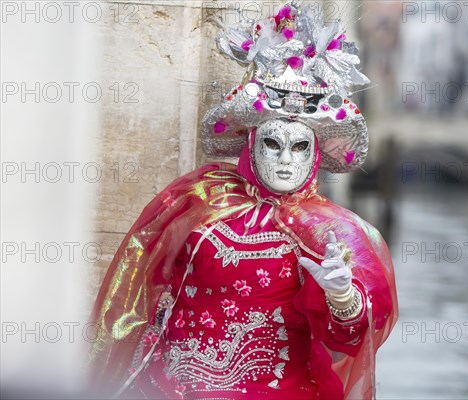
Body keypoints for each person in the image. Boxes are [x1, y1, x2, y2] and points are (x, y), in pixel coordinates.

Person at [88, 2, 397, 399]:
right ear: (251, 144)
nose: (285, 161)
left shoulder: (333, 233)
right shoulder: (200, 196)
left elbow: (354, 336)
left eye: (299, 147)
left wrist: (342, 296)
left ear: (316, 153)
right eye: (272, 144)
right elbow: (145, 285)